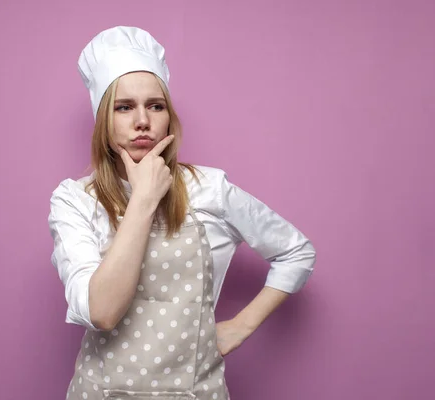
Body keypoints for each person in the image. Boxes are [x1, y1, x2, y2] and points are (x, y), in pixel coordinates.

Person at [48, 26, 316, 400]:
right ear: (102, 119)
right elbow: (102, 312)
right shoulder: (74, 200)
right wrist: (143, 199)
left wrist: (240, 326)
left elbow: (296, 252)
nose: (142, 120)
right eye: (124, 107)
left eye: (155, 106)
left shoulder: (210, 188)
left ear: (168, 117)